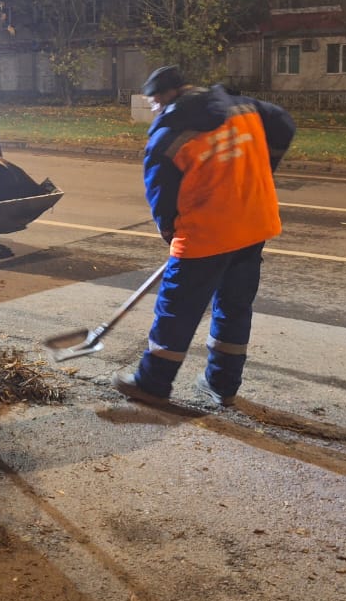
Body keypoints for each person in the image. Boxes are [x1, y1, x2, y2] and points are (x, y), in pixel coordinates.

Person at [113, 65, 296, 408]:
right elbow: (284, 123)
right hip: (254, 224)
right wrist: (264, 168)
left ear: (170, 95)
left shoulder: (167, 136)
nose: (154, 108)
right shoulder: (241, 106)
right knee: (234, 307)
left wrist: (171, 234)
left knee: (176, 312)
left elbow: (161, 199)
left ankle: (153, 384)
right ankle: (222, 386)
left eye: (154, 101)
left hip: (206, 236)